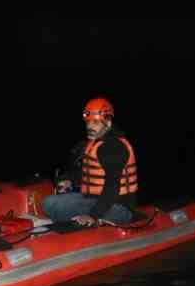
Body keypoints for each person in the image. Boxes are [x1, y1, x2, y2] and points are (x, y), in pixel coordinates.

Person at [44, 97, 139, 226]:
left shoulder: (113, 147)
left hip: (118, 207)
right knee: (50, 203)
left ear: (108, 123)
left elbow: (112, 188)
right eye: (88, 122)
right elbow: (87, 174)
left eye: (95, 122)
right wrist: (68, 180)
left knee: (54, 206)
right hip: (96, 199)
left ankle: (89, 226)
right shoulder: (96, 143)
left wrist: (92, 215)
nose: (90, 126)